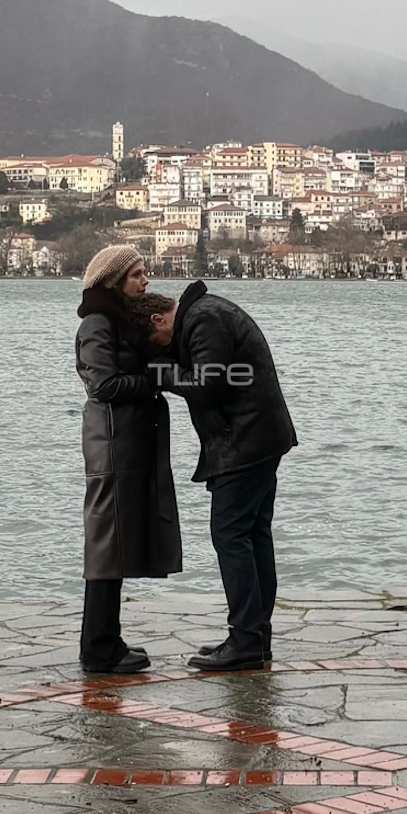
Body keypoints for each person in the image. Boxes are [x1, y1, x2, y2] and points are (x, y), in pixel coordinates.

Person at [129, 282, 296, 672]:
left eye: (158, 341)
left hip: (245, 442)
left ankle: (246, 640)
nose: (162, 349)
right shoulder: (206, 314)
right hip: (256, 437)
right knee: (253, 535)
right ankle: (253, 638)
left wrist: (160, 373)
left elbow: (208, 384)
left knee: (232, 536)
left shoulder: (203, 319)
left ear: (159, 318)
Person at [74, 246, 182, 673]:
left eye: (145, 272)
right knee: (106, 547)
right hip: (112, 444)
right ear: (114, 280)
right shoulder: (98, 323)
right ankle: (99, 648)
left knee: (113, 546)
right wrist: (151, 380)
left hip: (124, 442)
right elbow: (102, 384)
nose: (145, 280)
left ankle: (106, 641)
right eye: (137, 274)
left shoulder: (119, 321)